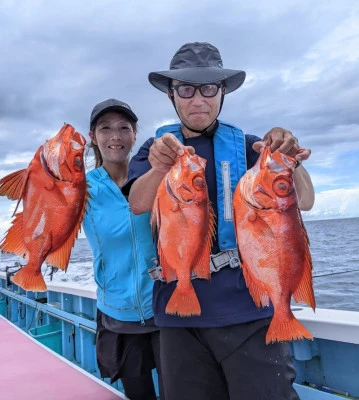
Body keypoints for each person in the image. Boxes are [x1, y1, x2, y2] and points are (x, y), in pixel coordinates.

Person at [126, 43, 315, 400]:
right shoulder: (155, 149)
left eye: (209, 88)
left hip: (249, 315)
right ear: (171, 95)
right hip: (178, 318)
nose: (198, 99)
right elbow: (137, 203)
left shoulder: (248, 146)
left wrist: (292, 159)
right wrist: (159, 168)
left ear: (222, 92)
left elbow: (303, 200)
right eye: (186, 89)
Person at [82, 98, 164, 400]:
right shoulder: (81, 189)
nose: (115, 136)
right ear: (92, 137)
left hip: (166, 305)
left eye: (124, 128)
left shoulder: (153, 178)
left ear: (134, 134)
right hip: (118, 314)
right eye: (105, 128)